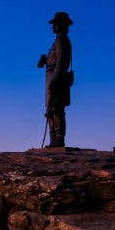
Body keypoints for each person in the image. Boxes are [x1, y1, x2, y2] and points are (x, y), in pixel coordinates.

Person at [37, 11, 73, 148]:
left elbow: (62, 62)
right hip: (51, 78)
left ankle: (58, 139)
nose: (53, 27)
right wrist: (45, 61)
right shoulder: (58, 40)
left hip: (56, 78)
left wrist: (55, 79)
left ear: (62, 25)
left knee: (57, 109)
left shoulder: (62, 40)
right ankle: (53, 139)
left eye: (55, 24)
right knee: (51, 109)